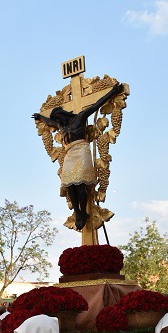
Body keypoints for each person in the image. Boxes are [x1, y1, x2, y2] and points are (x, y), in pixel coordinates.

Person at [33, 82, 124, 230]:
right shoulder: (62, 126)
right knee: (69, 184)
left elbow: (95, 105)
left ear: (63, 115)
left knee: (79, 183)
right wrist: (41, 117)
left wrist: (112, 92)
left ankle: (83, 212)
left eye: (59, 119)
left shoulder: (79, 118)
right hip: (69, 153)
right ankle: (78, 212)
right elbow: (50, 122)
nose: (58, 123)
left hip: (81, 150)